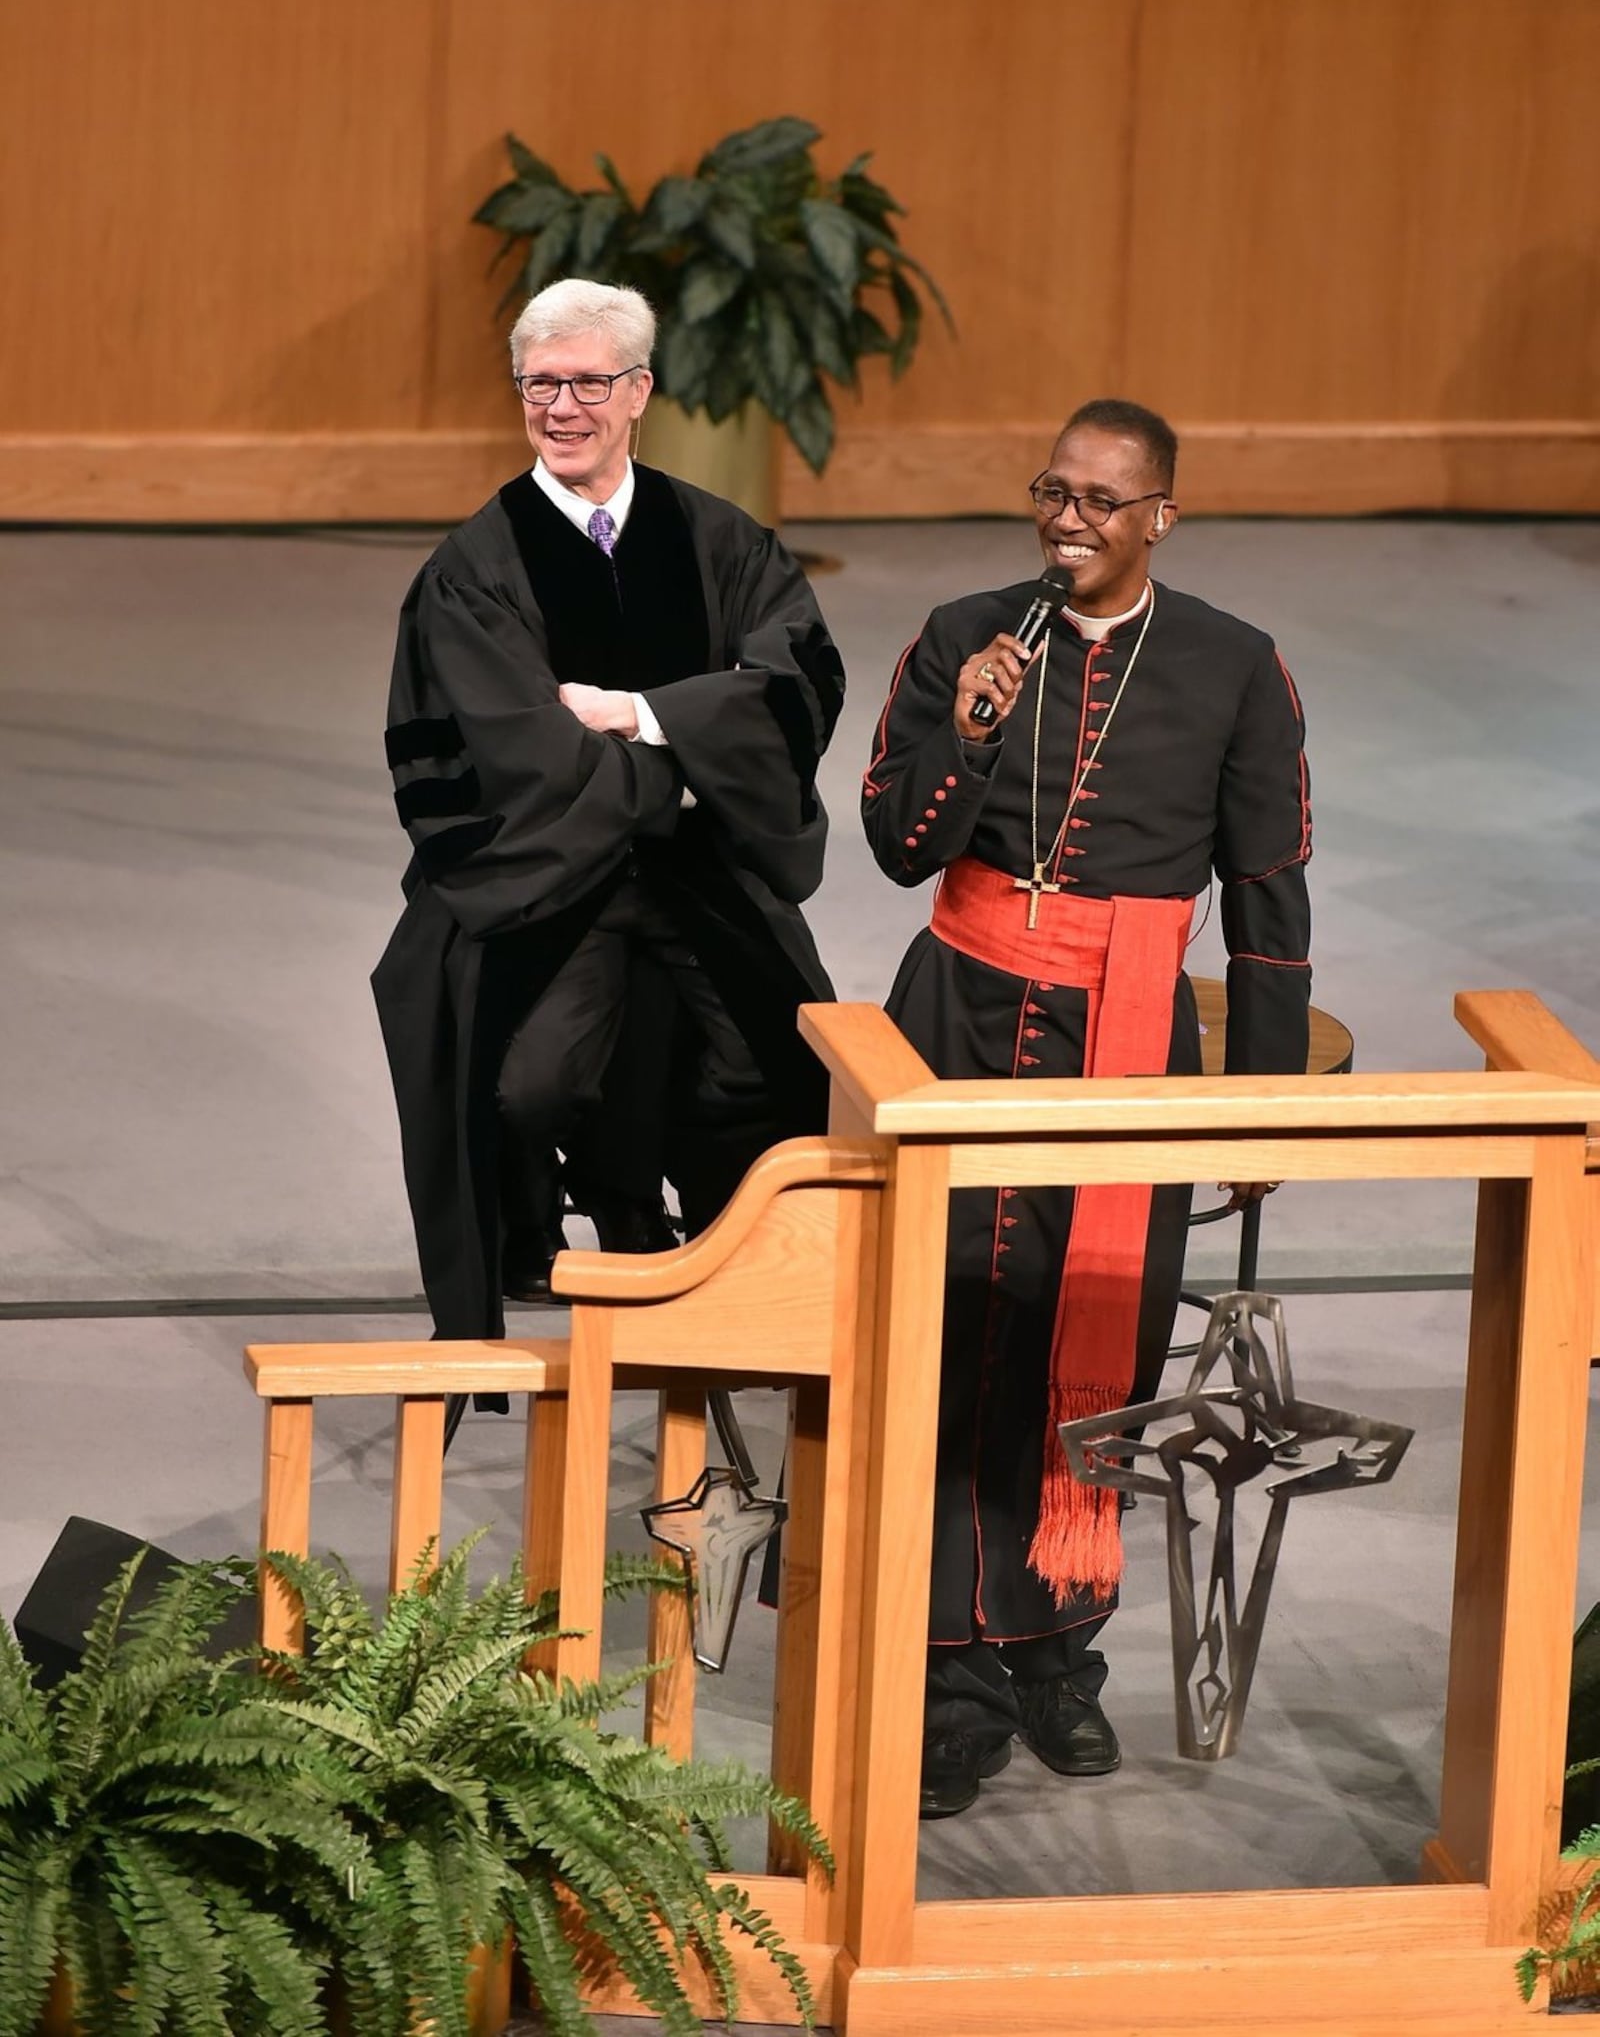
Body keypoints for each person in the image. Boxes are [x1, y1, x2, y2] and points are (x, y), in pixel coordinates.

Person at [861, 398, 1312, 1817]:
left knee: (1094, 1345)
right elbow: (896, 842)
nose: (1068, 518)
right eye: (1053, 489)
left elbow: (1268, 906)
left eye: (1101, 500)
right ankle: (948, 1675)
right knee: (946, 1328)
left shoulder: (1236, 666)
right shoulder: (962, 635)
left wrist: (1260, 1113)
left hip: (1130, 1037)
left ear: (1158, 516)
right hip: (957, 1011)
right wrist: (971, 733)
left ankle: (1057, 1655)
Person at [374, 277, 845, 1344]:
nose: (562, 406)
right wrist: (682, 766)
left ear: (639, 391)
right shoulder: (473, 571)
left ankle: (727, 1281)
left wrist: (639, 714)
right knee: (519, 1087)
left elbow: (794, 675)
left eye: (588, 381)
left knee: (786, 1061)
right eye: (540, 383)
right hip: (544, 873)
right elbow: (506, 748)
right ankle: (545, 1247)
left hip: (701, 865)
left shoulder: (721, 540)